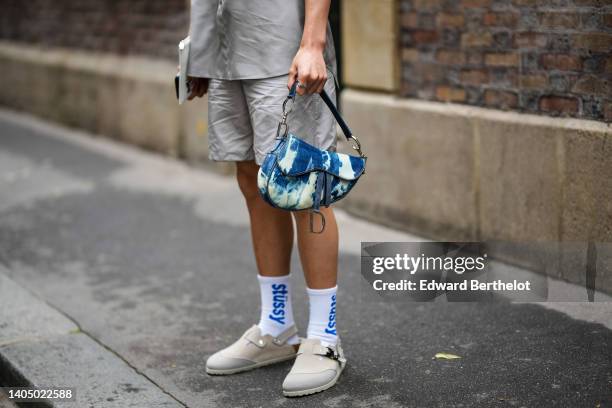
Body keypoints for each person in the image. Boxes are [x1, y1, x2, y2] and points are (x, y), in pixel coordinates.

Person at [186, 0, 345, 397]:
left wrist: (313, 43)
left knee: (304, 188)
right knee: (255, 185)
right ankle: (278, 328)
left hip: (282, 50)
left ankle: (325, 338)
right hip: (226, 56)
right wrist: (199, 54)